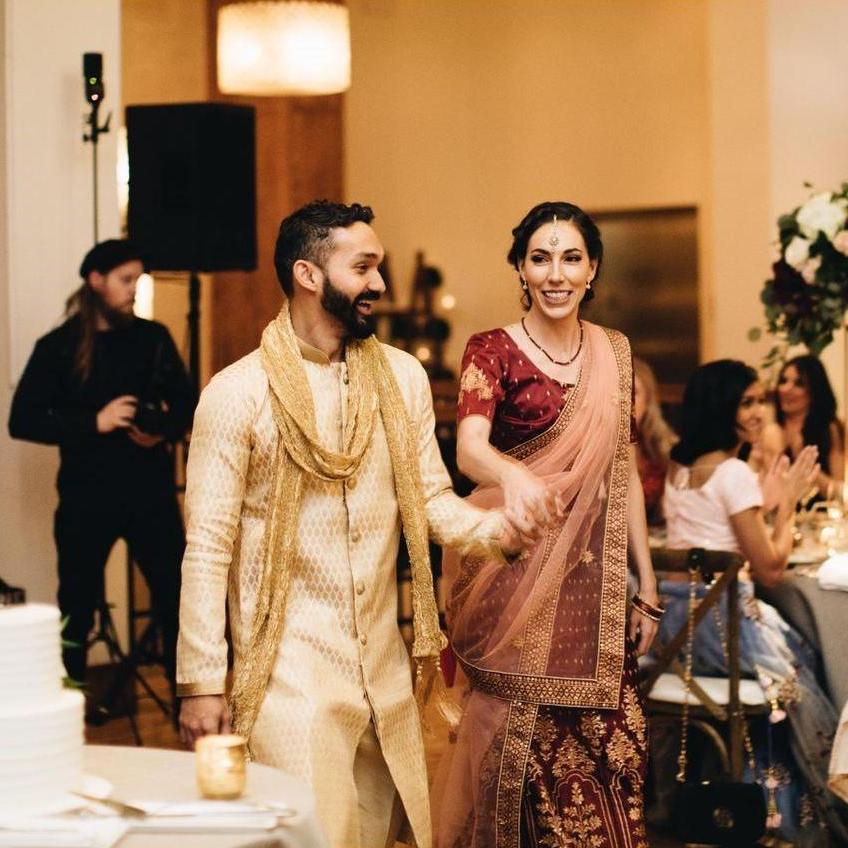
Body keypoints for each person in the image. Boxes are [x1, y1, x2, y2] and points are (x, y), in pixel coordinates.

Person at [176, 201, 535, 848]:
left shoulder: (400, 378)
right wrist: (201, 683)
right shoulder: (236, 395)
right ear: (309, 274)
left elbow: (429, 498)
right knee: (313, 834)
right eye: (363, 267)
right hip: (289, 673)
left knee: (378, 833)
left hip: (385, 669)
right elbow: (206, 549)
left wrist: (501, 531)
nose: (379, 284)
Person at [434, 201, 660, 848]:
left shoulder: (614, 352)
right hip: (514, 570)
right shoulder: (492, 350)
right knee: (520, 736)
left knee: (612, 745)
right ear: (520, 269)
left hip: (594, 584)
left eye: (570, 257)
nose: (555, 273)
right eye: (540, 258)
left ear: (592, 269)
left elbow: (621, 470)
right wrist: (516, 477)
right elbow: (469, 449)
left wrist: (643, 582)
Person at [656, 359, 848, 845]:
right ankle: (785, 811)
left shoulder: (681, 470)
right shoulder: (734, 473)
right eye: (748, 402)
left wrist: (778, 493)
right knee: (814, 674)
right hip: (727, 635)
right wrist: (787, 504)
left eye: (761, 399)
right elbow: (771, 568)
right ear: (723, 408)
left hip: (679, 637)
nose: (762, 410)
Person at [8, 239, 194, 688]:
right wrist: (95, 421)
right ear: (96, 281)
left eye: (138, 280)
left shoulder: (153, 338)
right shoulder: (58, 346)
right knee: (76, 607)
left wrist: (162, 428)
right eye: (126, 280)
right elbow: (22, 420)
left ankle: (186, 706)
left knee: (177, 597)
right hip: (86, 498)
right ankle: (68, 706)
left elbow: (190, 405)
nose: (135, 289)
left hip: (151, 494)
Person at [766, 354, 844, 498]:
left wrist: (804, 462)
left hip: (821, 516)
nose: (786, 389)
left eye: (799, 383)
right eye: (783, 381)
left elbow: (838, 492)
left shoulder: (830, 429)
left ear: (814, 390)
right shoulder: (769, 431)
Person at [633, 357, 676, 526]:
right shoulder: (593, 447)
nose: (625, 400)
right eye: (618, 390)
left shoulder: (664, 445)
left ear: (648, 400)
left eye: (634, 392)